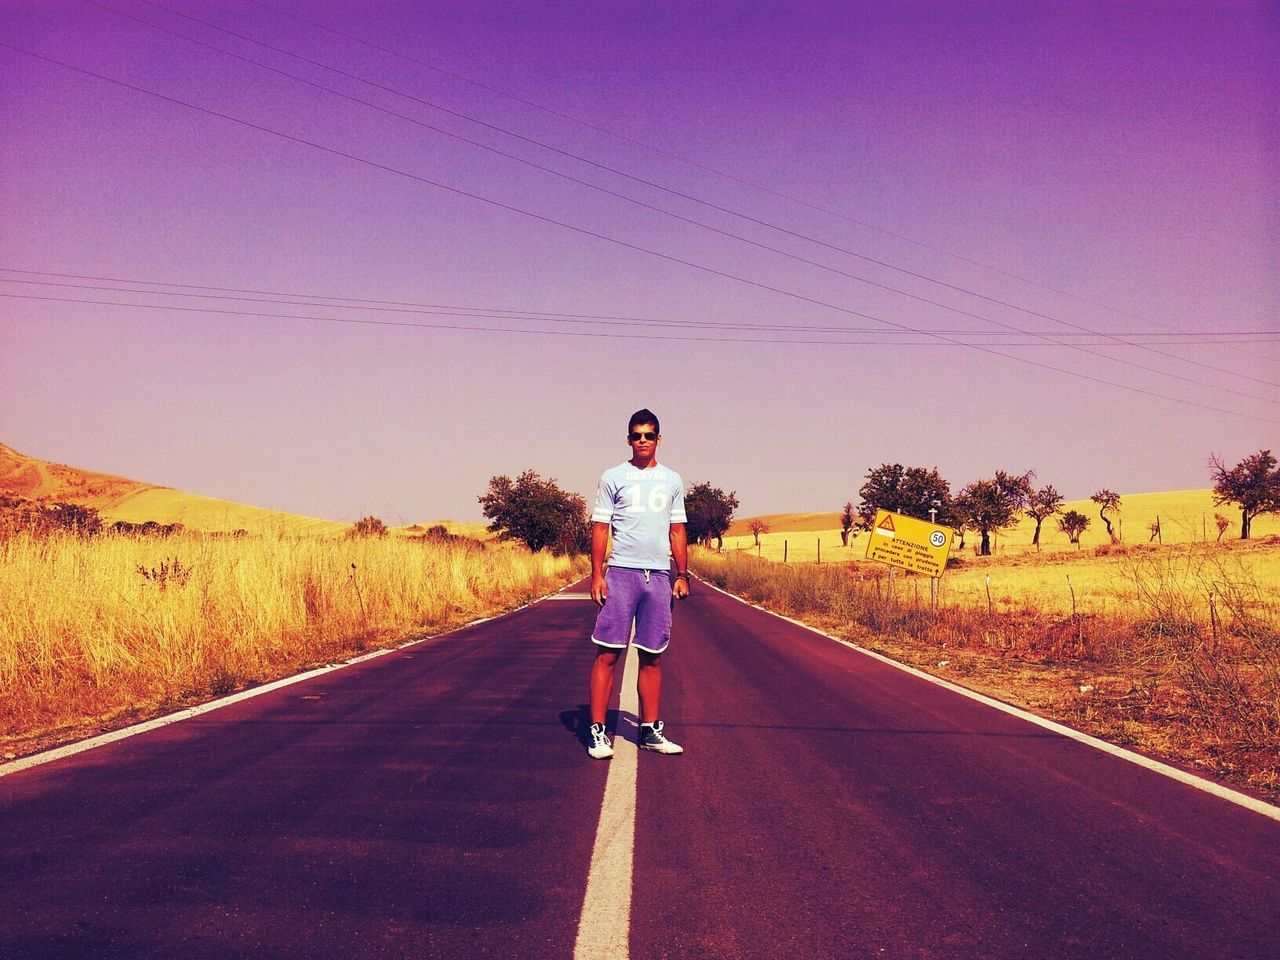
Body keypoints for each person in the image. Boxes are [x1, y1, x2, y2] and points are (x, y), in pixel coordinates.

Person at [586, 409, 690, 759]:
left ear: (659, 439)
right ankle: (598, 732)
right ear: (628, 439)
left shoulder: (672, 480)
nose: (642, 441)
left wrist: (682, 574)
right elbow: (601, 528)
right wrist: (597, 574)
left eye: (648, 435)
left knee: (653, 657)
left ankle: (650, 730)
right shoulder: (614, 477)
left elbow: (677, 530)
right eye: (636, 435)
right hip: (621, 575)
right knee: (608, 654)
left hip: (658, 576)